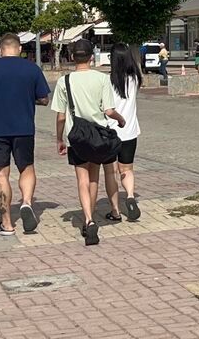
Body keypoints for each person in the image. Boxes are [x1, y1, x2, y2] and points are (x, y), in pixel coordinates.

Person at [0, 33, 50, 236]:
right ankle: (27, 202)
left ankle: (6, 224)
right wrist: (27, 98)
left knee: (1, 174)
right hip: (24, 128)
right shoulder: (32, 68)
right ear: (19, 49)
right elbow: (44, 99)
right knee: (26, 168)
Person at [52, 40, 126, 246]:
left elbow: (60, 116)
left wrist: (59, 138)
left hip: (76, 137)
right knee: (94, 177)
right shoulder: (102, 79)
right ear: (91, 57)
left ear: (72, 57)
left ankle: (88, 219)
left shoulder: (64, 81)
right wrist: (121, 120)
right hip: (98, 136)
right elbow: (109, 110)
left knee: (82, 180)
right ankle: (91, 216)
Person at [102, 43, 143, 222]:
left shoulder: (107, 81)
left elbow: (105, 108)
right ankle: (131, 196)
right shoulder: (135, 79)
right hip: (130, 132)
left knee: (110, 173)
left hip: (110, 133)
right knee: (127, 168)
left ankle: (115, 211)